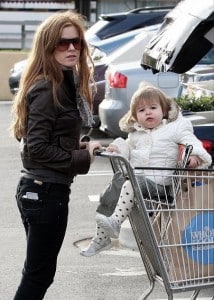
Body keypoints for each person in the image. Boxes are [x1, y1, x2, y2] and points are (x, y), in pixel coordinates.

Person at [10, 10, 102, 300]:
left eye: (77, 43)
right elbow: (35, 148)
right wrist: (82, 158)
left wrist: (83, 145)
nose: (72, 49)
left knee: (37, 274)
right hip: (45, 192)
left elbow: (55, 137)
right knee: (38, 277)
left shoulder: (64, 81)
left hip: (42, 192)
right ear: (47, 47)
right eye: (63, 44)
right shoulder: (48, 87)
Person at [80, 83, 212, 257]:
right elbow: (127, 149)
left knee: (130, 183)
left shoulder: (175, 128)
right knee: (113, 188)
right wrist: (116, 149)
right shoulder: (136, 134)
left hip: (162, 184)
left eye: (153, 108)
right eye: (141, 110)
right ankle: (101, 237)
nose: (148, 112)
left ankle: (115, 222)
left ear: (164, 110)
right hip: (139, 182)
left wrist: (194, 157)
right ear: (135, 117)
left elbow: (192, 142)